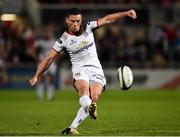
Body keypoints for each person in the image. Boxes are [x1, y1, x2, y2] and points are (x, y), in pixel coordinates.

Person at [29, 8, 137, 135]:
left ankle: (73, 127)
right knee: (84, 90)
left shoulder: (89, 27)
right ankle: (87, 109)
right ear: (67, 21)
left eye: (78, 21)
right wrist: (37, 75)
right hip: (79, 69)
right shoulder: (63, 40)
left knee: (94, 97)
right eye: (72, 21)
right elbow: (48, 58)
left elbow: (107, 19)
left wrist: (125, 13)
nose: (75, 23)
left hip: (96, 68)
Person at [30, 27, 57, 101]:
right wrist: (37, 59)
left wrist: (56, 59)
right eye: (46, 33)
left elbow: (59, 52)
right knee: (40, 78)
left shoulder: (53, 41)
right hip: (42, 61)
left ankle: (50, 97)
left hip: (51, 62)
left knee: (51, 78)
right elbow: (32, 50)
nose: (47, 34)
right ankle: (40, 96)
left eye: (48, 33)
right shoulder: (40, 41)